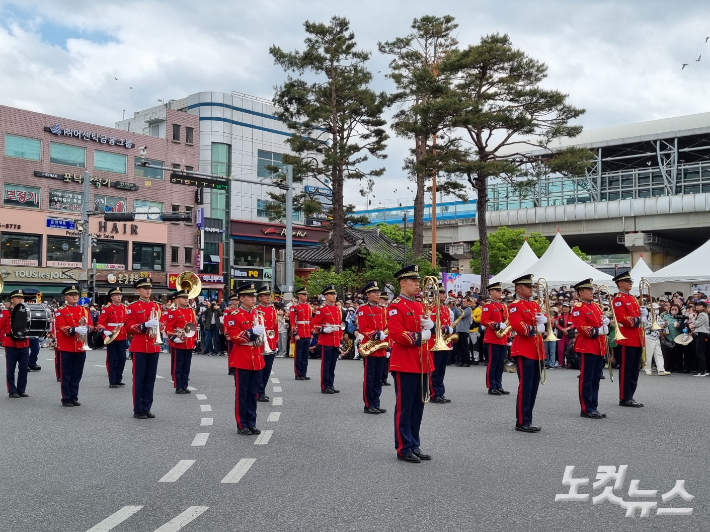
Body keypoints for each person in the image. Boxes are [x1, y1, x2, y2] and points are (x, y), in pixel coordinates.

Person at [388, 264, 433, 463]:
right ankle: (403, 447)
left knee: (418, 407)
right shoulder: (395, 306)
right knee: (405, 407)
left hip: (422, 362)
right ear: (402, 283)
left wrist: (430, 328)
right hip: (404, 363)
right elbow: (396, 334)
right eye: (413, 281)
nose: (417, 284)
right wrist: (419, 336)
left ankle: (414, 443)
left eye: (418, 280)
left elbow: (427, 334)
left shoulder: (418, 304)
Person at [224, 282, 265, 435]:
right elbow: (234, 337)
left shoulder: (257, 314)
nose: (254, 299)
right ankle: (242, 424)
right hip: (242, 358)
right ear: (242, 298)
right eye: (250, 296)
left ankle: (252, 422)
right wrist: (251, 332)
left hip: (256, 357)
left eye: (254, 296)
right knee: (242, 393)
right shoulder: (233, 315)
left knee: (253, 393)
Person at [508, 274, 545, 432]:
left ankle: (528, 419)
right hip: (524, 349)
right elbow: (518, 325)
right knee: (526, 386)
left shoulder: (535, 305)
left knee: (533, 387)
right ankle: (522, 421)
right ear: (518, 289)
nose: (531, 289)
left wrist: (545, 322)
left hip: (537, 349)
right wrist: (536, 328)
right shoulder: (515, 306)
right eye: (528, 287)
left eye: (532, 287)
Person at [125, 277, 162, 419]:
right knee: (139, 379)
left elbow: (163, 323)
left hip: (153, 346)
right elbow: (129, 326)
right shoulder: (132, 307)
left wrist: (158, 325)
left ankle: (147, 407)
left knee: (150, 379)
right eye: (145, 288)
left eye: (149, 288)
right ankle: (138, 409)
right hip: (140, 346)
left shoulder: (156, 306)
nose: (148, 291)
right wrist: (145, 325)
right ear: (138, 290)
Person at [571, 279, 609, 419]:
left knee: (595, 378)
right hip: (587, 346)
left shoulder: (596, 307)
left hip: (598, 346)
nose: (592, 293)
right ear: (581, 292)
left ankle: (594, 406)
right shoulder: (578, 307)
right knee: (586, 379)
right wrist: (596, 331)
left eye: (592, 290)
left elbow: (600, 323)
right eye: (589, 290)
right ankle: (586, 408)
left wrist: (606, 324)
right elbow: (580, 327)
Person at [54, 285, 93, 407]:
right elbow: (60, 326)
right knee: (66, 373)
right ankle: (66, 397)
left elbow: (92, 325)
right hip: (67, 346)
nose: (75, 297)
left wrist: (86, 328)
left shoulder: (84, 310)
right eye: (71, 295)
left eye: (76, 294)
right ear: (66, 297)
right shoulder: (61, 310)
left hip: (81, 345)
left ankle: (74, 396)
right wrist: (75, 329)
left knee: (77, 373)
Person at [611, 272, 645, 407]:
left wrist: (643, 315)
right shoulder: (618, 299)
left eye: (630, 281)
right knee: (626, 369)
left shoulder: (633, 298)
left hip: (637, 337)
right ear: (620, 283)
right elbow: (622, 318)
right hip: (627, 338)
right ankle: (625, 397)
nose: (631, 283)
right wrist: (638, 320)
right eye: (627, 281)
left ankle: (631, 395)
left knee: (635, 369)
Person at [357, 281, 388, 414]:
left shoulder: (382, 309)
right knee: (369, 377)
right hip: (370, 347)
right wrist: (376, 335)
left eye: (378, 292)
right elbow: (363, 329)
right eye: (375, 292)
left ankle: (376, 403)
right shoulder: (363, 309)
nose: (378, 294)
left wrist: (388, 347)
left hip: (381, 348)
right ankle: (368, 404)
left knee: (378, 378)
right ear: (368, 294)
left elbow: (388, 328)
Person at [480, 282, 511, 396]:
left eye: (500, 291)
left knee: (500, 364)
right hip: (492, 338)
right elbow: (484, 321)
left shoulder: (503, 306)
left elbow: (507, 322)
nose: (500, 293)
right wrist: (496, 325)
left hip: (502, 338)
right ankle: (491, 386)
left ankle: (499, 385)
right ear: (491, 292)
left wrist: (508, 337)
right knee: (493, 363)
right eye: (497, 291)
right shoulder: (488, 306)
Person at [164, 289, 198, 394]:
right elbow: (168, 327)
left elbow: (194, 326)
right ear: (178, 300)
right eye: (184, 298)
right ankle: (178, 386)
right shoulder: (172, 311)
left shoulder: (191, 311)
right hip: (178, 342)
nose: (186, 300)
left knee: (186, 365)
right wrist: (174, 338)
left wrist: (195, 339)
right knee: (178, 365)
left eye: (187, 298)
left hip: (189, 341)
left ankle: (184, 385)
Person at [312, 285, 343, 394]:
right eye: (331, 294)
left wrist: (340, 338)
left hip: (335, 340)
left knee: (333, 364)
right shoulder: (322, 309)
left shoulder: (337, 309)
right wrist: (323, 330)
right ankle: (325, 385)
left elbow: (339, 325)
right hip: (326, 340)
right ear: (326, 296)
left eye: (334, 294)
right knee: (326, 364)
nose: (334, 296)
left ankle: (331, 384)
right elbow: (315, 325)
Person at [97, 287, 128, 388]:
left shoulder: (124, 308)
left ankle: (118, 379)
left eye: (120, 295)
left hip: (122, 334)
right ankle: (113, 381)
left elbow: (127, 322)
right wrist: (104, 331)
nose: (119, 297)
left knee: (122, 359)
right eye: (116, 295)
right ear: (112, 297)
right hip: (111, 336)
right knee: (112, 359)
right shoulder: (107, 309)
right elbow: (100, 323)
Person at [1, 290, 31, 398]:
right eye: (17, 298)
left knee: (23, 368)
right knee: (11, 369)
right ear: (12, 300)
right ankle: (12, 390)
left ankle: (21, 390)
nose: (20, 299)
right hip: (11, 344)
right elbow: (0, 327)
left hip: (24, 343)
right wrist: (3, 340)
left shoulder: (27, 312)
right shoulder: (5, 312)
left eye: (21, 298)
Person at [429, 286, 454, 403]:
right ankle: (434, 393)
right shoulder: (432, 308)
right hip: (435, 343)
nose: (444, 295)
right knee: (434, 370)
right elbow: (431, 324)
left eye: (444, 293)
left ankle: (440, 392)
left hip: (444, 343)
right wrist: (444, 327)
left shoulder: (445, 308)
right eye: (441, 293)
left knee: (442, 370)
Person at [256, 286, 278, 402]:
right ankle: (259, 392)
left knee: (267, 369)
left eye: (269, 295)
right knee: (260, 369)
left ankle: (262, 390)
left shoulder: (272, 310)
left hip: (270, 342)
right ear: (260, 297)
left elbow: (275, 327)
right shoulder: (256, 310)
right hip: (260, 343)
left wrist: (276, 341)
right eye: (266, 295)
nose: (269, 297)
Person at [290, 287, 312, 380]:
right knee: (298, 355)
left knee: (305, 355)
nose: (305, 296)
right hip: (299, 333)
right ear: (299, 295)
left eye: (306, 295)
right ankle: (298, 374)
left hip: (307, 333)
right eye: (303, 295)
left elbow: (310, 320)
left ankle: (303, 373)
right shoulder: (294, 307)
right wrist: (295, 334)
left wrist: (311, 332)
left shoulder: (308, 307)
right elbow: (292, 321)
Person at [643, 303, 670, 376]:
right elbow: (647, 326)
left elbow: (662, 323)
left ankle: (661, 369)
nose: (657, 310)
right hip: (649, 336)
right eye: (655, 309)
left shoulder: (658, 316)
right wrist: (659, 326)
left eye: (657, 309)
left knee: (659, 354)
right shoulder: (647, 316)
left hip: (656, 337)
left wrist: (665, 324)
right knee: (649, 354)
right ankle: (648, 369)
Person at [452, 297, 473, 367]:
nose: (463, 302)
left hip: (464, 330)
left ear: (468, 302)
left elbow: (462, 316)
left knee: (465, 347)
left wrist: (456, 308)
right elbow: (456, 317)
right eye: (463, 301)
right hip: (458, 330)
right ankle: (460, 360)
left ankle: (466, 361)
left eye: (465, 301)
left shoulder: (469, 309)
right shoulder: (460, 309)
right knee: (459, 347)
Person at [692, 301, 709, 377]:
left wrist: (692, 318)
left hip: (702, 334)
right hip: (702, 334)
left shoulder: (702, 314)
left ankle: (703, 370)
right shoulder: (703, 314)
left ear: (704, 307)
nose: (697, 307)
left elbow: (696, 324)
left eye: (699, 305)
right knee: (700, 352)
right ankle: (702, 370)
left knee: (700, 353)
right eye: (697, 305)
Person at [379, 293, 392, 386]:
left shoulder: (388, 310)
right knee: (381, 360)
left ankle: (384, 378)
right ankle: (379, 378)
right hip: (381, 336)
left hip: (388, 338)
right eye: (384, 299)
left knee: (386, 360)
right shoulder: (379, 310)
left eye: (387, 299)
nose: (386, 301)